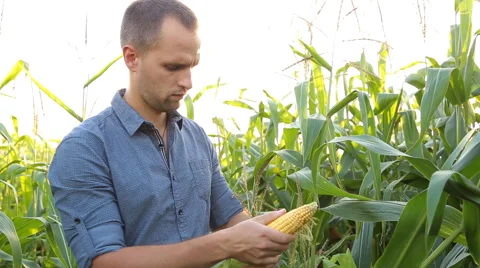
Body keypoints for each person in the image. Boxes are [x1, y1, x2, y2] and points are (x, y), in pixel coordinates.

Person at [47, 0, 296, 267]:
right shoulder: (85, 149)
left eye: (192, 66)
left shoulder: (197, 137)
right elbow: (105, 261)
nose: (187, 82)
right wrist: (227, 243)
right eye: (173, 67)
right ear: (132, 58)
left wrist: (261, 234)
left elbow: (229, 215)